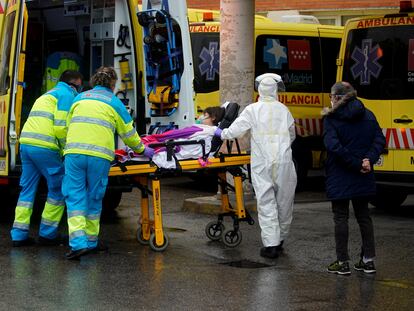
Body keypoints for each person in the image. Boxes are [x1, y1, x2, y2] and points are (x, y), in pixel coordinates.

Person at [62, 66, 154, 260]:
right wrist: (142, 150)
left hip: (74, 154)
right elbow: (129, 134)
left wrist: (67, 148)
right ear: (113, 85)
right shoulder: (114, 102)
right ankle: (91, 241)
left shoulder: (79, 98)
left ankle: (78, 244)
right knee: (95, 197)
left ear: (94, 81)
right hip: (99, 156)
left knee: (75, 197)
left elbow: (67, 126)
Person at [214, 73, 297, 259]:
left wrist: (220, 133)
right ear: (276, 89)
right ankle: (280, 240)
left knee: (266, 202)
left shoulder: (253, 109)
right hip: (284, 162)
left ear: (259, 89)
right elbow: (292, 135)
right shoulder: (284, 110)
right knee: (284, 203)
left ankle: (271, 245)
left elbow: (236, 129)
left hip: (262, 163)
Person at [11, 70, 83, 247]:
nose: (79, 91)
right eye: (79, 87)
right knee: (58, 188)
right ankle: (47, 234)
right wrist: (68, 148)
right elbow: (60, 128)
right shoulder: (66, 95)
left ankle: (18, 235)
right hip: (45, 147)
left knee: (27, 190)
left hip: (26, 144)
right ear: (73, 85)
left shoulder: (47, 94)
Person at [323, 81, 385, 275]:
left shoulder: (331, 118)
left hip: (340, 173)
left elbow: (333, 146)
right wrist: (368, 160)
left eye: (332, 97)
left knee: (341, 217)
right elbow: (379, 140)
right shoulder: (368, 114)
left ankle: (342, 262)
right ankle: (368, 261)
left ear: (339, 98)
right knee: (364, 216)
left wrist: (357, 163)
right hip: (363, 174)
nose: (331, 100)